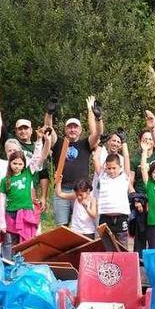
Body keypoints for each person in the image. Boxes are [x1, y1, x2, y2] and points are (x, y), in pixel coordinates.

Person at [51, 96, 102, 226]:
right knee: (61, 227)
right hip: (61, 189)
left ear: (80, 130)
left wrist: (98, 118)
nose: (72, 129)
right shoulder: (59, 143)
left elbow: (97, 134)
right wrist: (49, 113)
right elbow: (49, 130)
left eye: (75, 127)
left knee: (82, 225)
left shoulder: (85, 143)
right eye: (70, 127)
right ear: (65, 129)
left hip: (80, 191)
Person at [130, 112, 155, 252]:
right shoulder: (135, 159)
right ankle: (138, 262)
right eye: (144, 139)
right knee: (140, 233)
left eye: (150, 139)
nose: (148, 141)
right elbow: (130, 182)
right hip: (141, 199)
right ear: (140, 141)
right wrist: (136, 199)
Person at [0, 150, 40, 258]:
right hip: (10, 213)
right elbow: (2, 203)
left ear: (24, 165)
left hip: (26, 213)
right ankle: (7, 263)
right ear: (10, 163)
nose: (17, 166)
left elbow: (36, 158)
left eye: (20, 164)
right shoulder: (5, 180)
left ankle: (24, 262)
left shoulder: (27, 173)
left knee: (25, 240)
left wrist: (39, 140)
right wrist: (2, 223)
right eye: (14, 163)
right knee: (8, 241)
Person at [96, 153, 132, 248]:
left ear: (120, 167)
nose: (111, 171)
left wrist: (123, 141)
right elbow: (96, 158)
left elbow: (127, 157)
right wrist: (100, 144)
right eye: (109, 168)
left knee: (122, 246)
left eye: (114, 168)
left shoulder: (124, 177)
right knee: (106, 245)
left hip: (121, 218)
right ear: (105, 167)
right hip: (105, 218)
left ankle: (124, 263)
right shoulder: (102, 177)